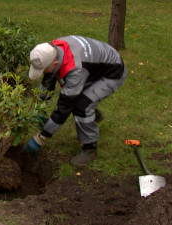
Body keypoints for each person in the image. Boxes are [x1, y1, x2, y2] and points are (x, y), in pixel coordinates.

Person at [25, 35, 127, 166]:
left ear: (55, 64)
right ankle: (94, 115)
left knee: (81, 106)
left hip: (112, 72)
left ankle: (89, 148)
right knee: (78, 99)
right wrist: (39, 107)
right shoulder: (53, 49)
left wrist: (41, 138)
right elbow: (49, 77)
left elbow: (64, 107)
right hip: (94, 65)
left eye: (44, 69)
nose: (43, 72)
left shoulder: (75, 70)